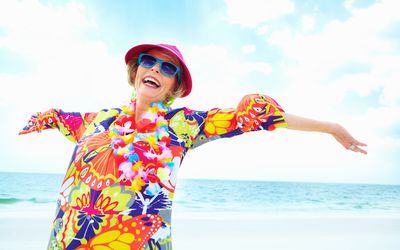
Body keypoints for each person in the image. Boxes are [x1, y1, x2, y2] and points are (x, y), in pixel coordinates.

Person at [19, 43, 367, 250]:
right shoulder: (94, 121)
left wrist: (330, 127)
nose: (155, 68)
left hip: (140, 242)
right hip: (69, 240)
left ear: (174, 84)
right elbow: (55, 116)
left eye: (166, 67)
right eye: (148, 62)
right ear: (136, 70)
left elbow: (258, 116)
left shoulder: (182, 125)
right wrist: (40, 118)